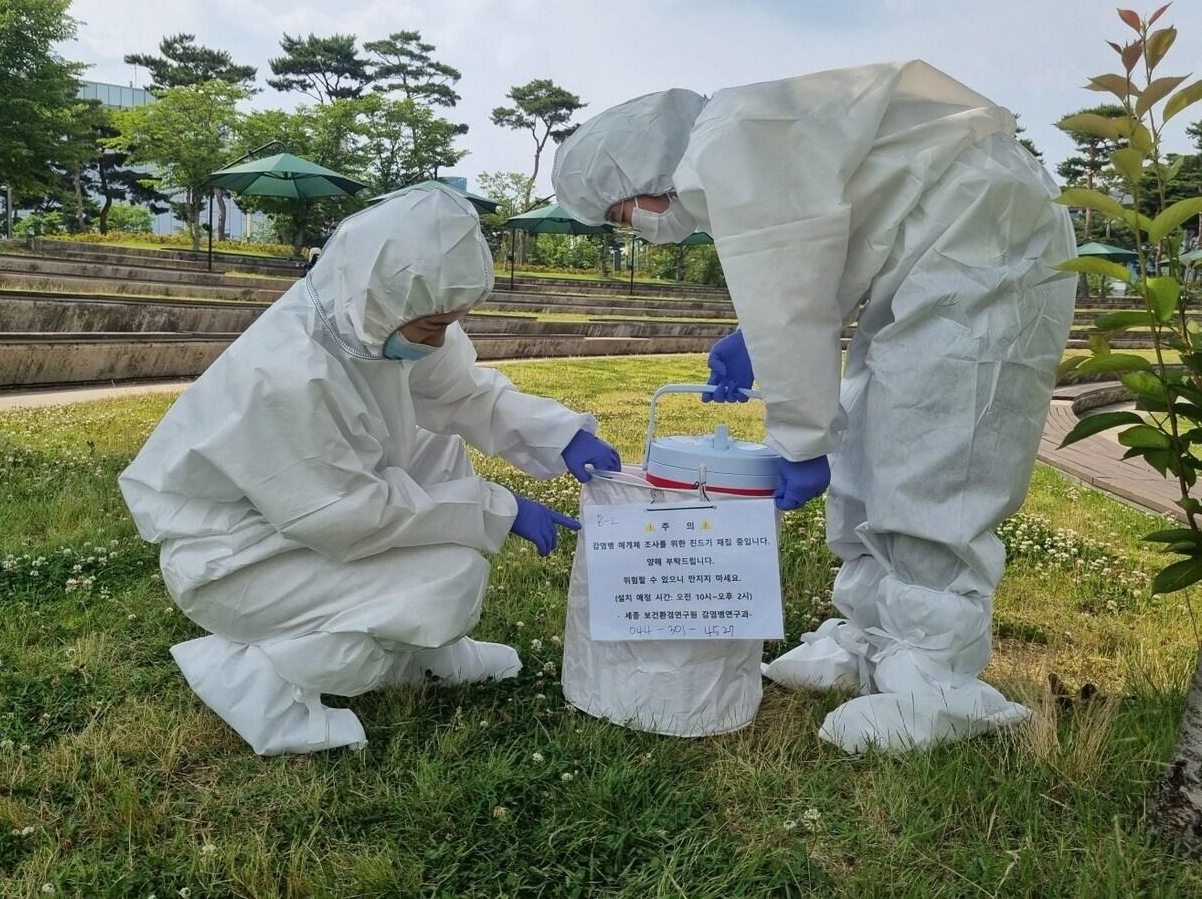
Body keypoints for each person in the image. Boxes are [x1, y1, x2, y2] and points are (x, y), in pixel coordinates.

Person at [552, 61, 1076, 752]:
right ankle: (870, 638)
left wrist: (799, 440)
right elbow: (816, 253)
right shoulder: (744, 135)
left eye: (625, 215)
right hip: (934, 247)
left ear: (644, 176)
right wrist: (760, 345)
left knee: (939, 452)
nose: (640, 229)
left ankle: (938, 682)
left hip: (986, 246)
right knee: (871, 437)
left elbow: (790, 299)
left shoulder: (727, 148)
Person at [120, 184, 620, 756]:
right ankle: (255, 672)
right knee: (448, 581)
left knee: (434, 445)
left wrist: (561, 434)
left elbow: (462, 394)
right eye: (433, 325)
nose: (441, 339)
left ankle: (429, 654)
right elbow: (349, 516)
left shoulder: (371, 318)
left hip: (303, 520)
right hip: (235, 562)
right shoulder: (287, 376)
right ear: (382, 299)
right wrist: (498, 509)